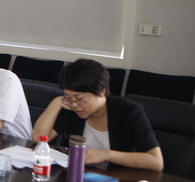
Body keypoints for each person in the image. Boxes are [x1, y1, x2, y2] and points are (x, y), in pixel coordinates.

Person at [32, 58, 163, 171]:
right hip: (81, 176)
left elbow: (156, 162)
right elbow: (38, 138)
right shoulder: (72, 109)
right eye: (68, 98)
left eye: (80, 99)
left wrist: (106, 155)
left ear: (101, 92)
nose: (75, 104)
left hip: (118, 179)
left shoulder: (128, 111)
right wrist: (56, 103)